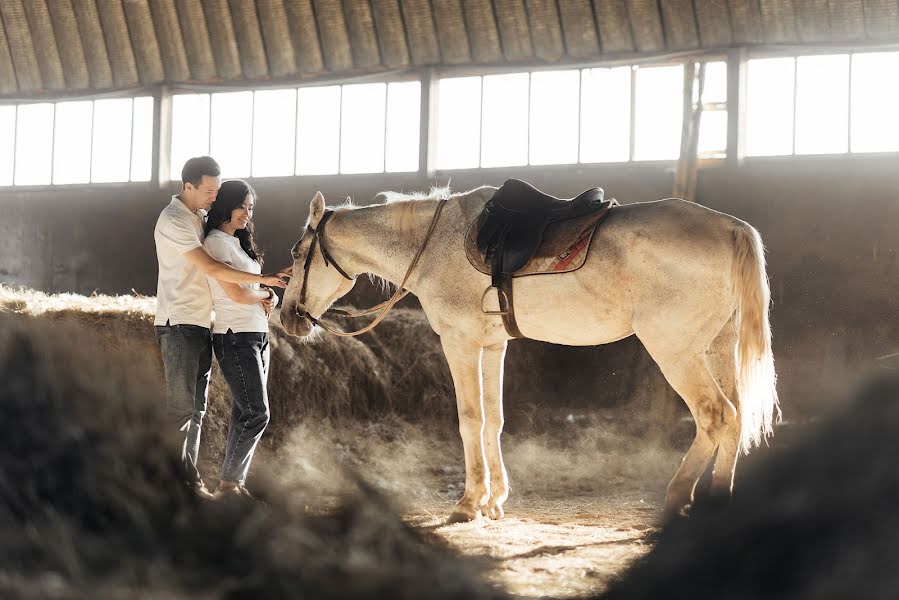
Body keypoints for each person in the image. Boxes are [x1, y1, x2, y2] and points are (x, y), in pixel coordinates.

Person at [153, 156, 287, 500]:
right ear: (188, 186)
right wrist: (262, 280)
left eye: (217, 190)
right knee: (182, 409)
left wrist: (262, 293)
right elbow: (212, 268)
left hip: (200, 322)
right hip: (179, 321)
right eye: (210, 190)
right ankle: (177, 486)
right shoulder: (174, 220)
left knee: (196, 409)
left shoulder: (197, 218)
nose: (214, 196)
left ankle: (191, 484)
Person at [202, 180, 275, 499]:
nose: (247, 213)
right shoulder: (217, 243)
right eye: (241, 206)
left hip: (259, 334)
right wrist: (263, 292)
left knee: (243, 411)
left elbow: (254, 293)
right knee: (257, 412)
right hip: (235, 336)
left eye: (251, 208)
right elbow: (235, 293)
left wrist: (269, 296)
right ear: (227, 205)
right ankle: (230, 484)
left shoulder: (240, 244)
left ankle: (233, 484)